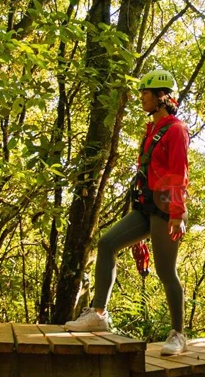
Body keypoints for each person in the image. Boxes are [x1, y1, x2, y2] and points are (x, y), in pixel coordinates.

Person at [65, 69, 190, 356]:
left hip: (165, 209)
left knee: (166, 271)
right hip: (146, 206)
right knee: (107, 243)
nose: (141, 97)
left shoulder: (176, 129)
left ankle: (178, 334)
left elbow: (178, 172)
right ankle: (99, 314)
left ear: (162, 96)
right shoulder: (152, 130)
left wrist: (177, 212)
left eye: (146, 93)